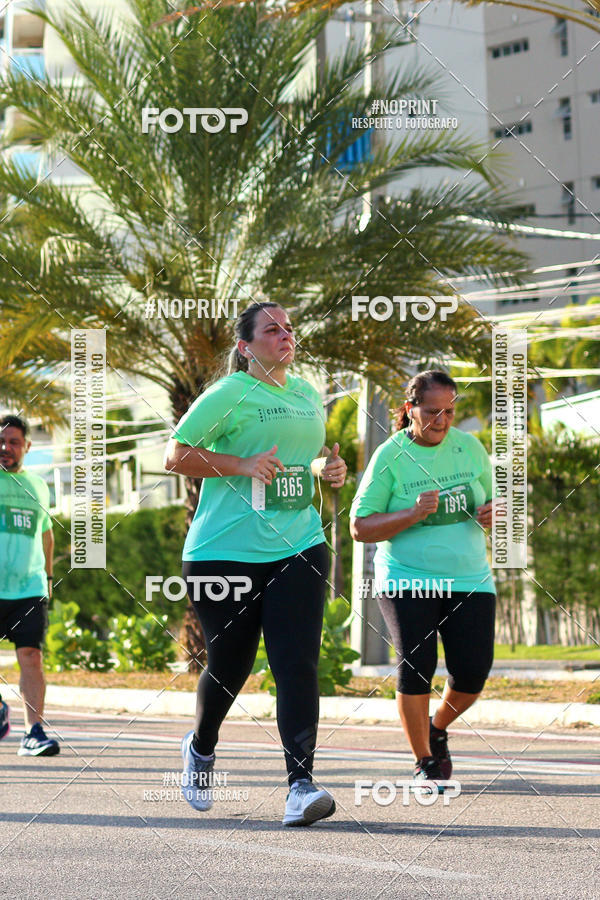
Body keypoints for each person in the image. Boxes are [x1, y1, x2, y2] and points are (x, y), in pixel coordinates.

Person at [164, 301, 347, 826]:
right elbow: (175, 456)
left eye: (288, 328)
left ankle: (300, 786)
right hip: (225, 551)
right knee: (230, 664)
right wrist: (240, 465)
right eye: (272, 330)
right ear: (245, 347)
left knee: (297, 664)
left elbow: (296, 459)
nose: (285, 335)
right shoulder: (228, 394)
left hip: (298, 544)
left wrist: (325, 467)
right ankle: (200, 747)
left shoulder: (308, 394)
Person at [350, 370, 495, 785]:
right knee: (417, 665)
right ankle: (424, 760)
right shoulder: (391, 455)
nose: (442, 420)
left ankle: (436, 726)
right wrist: (411, 514)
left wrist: (492, 514)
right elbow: (360, 528)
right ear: (410, 408)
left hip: (469, 577)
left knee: (472, 673)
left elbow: (490, 505)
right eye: (433, 411)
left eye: (450, 411)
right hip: (406, 578)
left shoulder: (470, 448)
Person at [0, 415, 59, 756]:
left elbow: (46, 534)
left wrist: (48, 579)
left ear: (26, 447)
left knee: (32, 657)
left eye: (14, 442)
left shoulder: (38, 486)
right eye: (1, 442)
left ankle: (33, 732)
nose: (6, 448)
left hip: (28, 588)